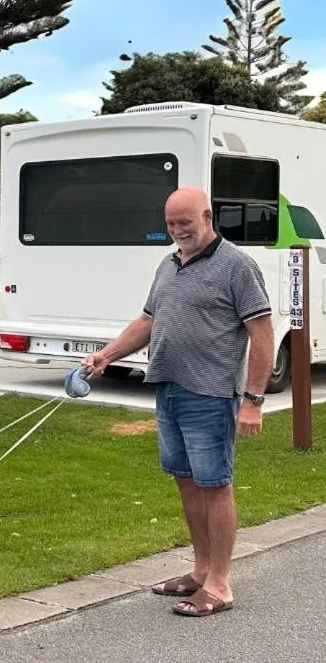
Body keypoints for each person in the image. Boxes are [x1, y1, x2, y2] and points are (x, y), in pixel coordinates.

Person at [82, 187, 273, 617]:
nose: (177, 231)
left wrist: (253, 401)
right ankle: (201, 570)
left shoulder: (237, 266)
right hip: (168, 389)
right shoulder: (168, 264)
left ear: (207, 217)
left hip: (210, 394)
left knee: (214, 485)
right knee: (186, 481)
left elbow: (262, 332)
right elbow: (149, 320)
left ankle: (220, 584)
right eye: (170, 224)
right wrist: (107, 355)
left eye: (184, 222)